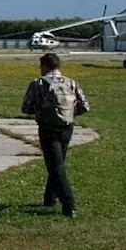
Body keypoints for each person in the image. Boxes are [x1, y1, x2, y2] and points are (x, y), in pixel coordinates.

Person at [21, 52, 89, 218]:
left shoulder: (38, 83)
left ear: (44, 66)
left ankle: (69, 204)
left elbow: (26, 107)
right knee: (57, 162)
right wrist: (70, 114)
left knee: (56, 166)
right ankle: (49, 198)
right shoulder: (71, 82)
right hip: (67, 127)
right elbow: (84, 106)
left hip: (47, 127)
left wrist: (39, 110)